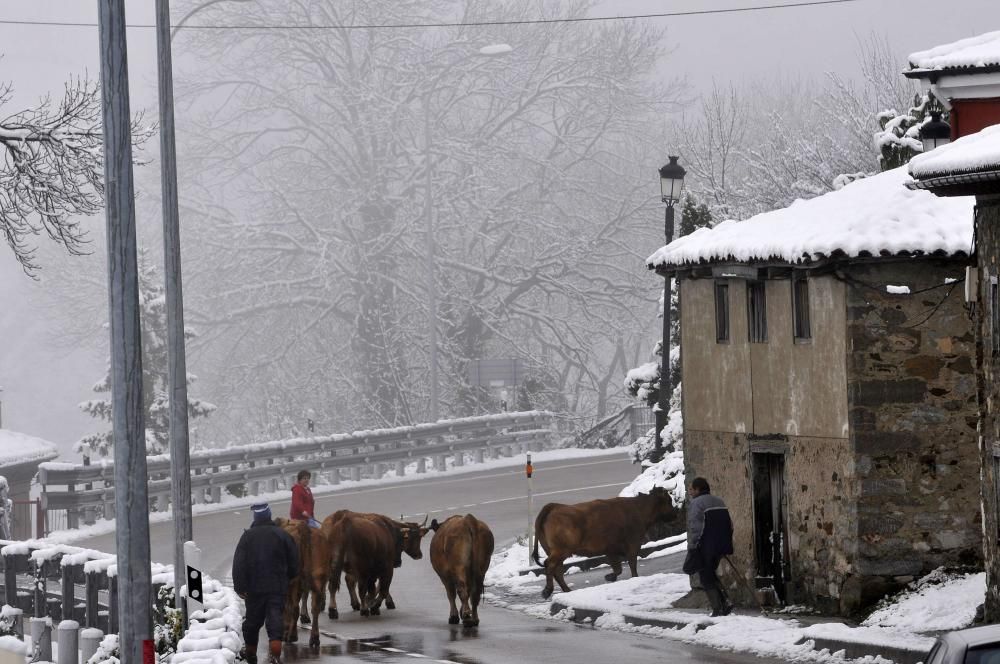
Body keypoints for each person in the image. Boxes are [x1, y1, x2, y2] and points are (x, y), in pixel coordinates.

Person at [233, 503, 299, 664]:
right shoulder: (282, 535)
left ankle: (251, 655)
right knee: (275, 621)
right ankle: (274, 656)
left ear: (255, 518)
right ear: (269, 516)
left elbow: (239, 564)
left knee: (252, 623)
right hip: (277, 588)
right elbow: (294, 562)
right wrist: (287, 578)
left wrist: (240, 587)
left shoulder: (247, 537)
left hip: (253, 590)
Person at [684, 477, 734, 617]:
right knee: (710, 573)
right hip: (720, 546)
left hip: (705, 546)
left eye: (691, 489)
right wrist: (724, 543)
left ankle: (718, 608)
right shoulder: (720, 501)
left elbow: (696, 528)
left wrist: (694, 546)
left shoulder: (696, 503)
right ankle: (726, 603)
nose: (690, 492)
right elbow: (729, 525)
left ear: (698, 489)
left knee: (705, 576)